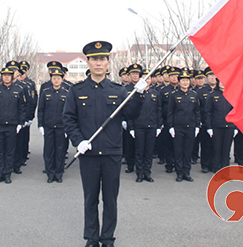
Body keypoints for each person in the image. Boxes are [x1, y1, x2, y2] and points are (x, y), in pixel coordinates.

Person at [63, 41, 146, 247]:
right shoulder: (77, 90)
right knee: (90, 199)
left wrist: (140, 95)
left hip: (111, 153)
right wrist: (78, 141)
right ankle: (92, 238)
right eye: (94, 59)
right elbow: (69, 119)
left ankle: (107, 238)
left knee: (110, 199)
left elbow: (131, 113)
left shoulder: (118, 91)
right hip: (88, 154)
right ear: (88, 62)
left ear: (108, 62)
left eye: (102, 59)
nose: (98, 63)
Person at [0, 66, 27, 184]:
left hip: (12, 125)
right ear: (2, 77)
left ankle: (8, 174)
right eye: (4, 76)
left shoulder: (18, 90)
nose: (6, 77)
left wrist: (20, 123)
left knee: (10, 151)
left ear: (12, 77)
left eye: (9, 75)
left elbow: (21, 108)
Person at [128, 69, 162, 182]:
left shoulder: (155, 93)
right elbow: (131, 112)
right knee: (139, 151)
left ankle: (147, 173)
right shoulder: (136, 93)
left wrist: (158, 126)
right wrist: (131, 127)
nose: (147, 80)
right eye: (144, 78)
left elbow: (158, 111)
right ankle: (139, 173)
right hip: (139, 126)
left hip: (151, 126)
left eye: (148, 78)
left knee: (149, 152)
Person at [168, 68, 200, 182]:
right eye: (183, 80)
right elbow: (170, 112)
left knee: (188, 151)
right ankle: (179, 173)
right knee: (178, 151)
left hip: (190, 127)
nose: (185, 82)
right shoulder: (174, 95)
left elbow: (197, 112)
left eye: (187, 80)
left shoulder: (194, 95)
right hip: (178, 128)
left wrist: (197, 126)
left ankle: (187, 172)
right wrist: (171, 126)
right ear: (179, 81)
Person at [38, 67, 69, 183]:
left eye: (58, 78)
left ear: (62, 79)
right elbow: (41, 109)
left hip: (61, 127)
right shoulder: (46, 93)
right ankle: (50, 173)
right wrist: (40, 125)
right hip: (48, 126)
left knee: (60, 151)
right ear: (51, 79)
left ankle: (59, 173)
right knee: (49, 150)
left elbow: (69, 112)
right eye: (54, 78)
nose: (56, 80)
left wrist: (68, 127)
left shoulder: (66, 93)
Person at [203, 71, 237, 172]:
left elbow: (237, 112)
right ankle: (217, 169)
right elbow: (208, 112)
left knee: (226, 150)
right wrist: (209, 127)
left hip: (229, 127)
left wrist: (236, 127)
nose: (223, 83)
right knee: (217, 149)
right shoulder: (212, 95)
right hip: (216, 127)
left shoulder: (233, 95)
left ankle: (226, 170)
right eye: (221, 82)